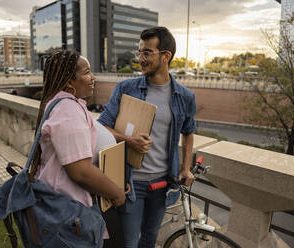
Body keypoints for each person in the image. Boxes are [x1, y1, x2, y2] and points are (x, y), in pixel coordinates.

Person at [98, 26, 197, 248]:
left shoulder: (185, 96)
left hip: (163, 184)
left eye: (147, 53)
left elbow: (189, 131)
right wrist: (129, 139)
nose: (140, 59)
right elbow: (102, 126)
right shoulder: (126, 88)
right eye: (139, 52)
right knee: (130, 243)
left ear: (166, 56)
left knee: (150, 238)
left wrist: (186, 167)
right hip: (130, 183)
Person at [30, 50, 126, 244]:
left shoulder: (64, 104)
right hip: (71, 211)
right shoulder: (67, 110)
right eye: (87, 72)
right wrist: (116, 192)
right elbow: (80, 171)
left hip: (69, 206)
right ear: (68, 81)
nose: (93, 77)